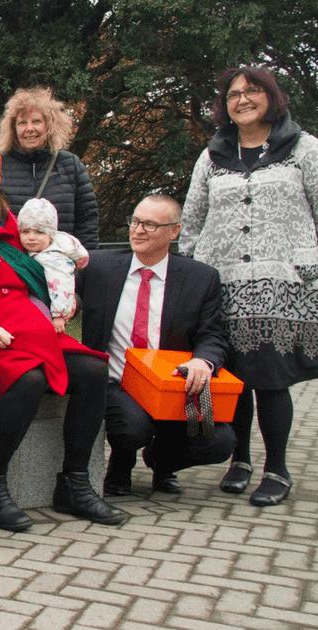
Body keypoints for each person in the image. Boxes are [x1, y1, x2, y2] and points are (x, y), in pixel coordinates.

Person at [0, 139, 125, 531]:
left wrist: (61, 301)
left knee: (93, 371)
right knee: (27, 378)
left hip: (32, 331)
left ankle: (75, 484)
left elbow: (41, 270)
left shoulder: (11, 224)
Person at [180, 66, 318, 507]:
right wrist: (195, 268)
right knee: (233, 375)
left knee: (271, 379)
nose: (242, 99)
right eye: (234, 94)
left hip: (283, 284)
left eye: (252, 91)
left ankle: (276, 468)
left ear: (271, 97)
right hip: (224, 286)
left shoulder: (303, 149)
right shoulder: (213, 155)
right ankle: (239, 459)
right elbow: (192, 218)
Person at [80, 195, 235, 497]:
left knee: (221, 441)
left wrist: (204, 361)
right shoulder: (97, 266)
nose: (138, 230)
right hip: (117, 382)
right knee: (130, 428)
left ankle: (161, 461)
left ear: (173, 231)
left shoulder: (201, 278)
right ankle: (120, 463)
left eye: (150, 225)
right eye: (135, 221)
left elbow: (213, 335)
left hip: (173, 386)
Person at [0, 87, 99, 250]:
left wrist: (84, 267)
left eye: (36, 121)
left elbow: (87, 221)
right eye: (22, 122)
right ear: (13, 128)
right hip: (13, 265)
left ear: (49, 125)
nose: (29, 128)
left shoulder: (70, 165)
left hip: (61, 267)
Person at [17, 198, 90, 334]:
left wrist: (59, 315)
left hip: (55, 310)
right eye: (26, 231)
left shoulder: (55, 258)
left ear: (50, 235)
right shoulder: (37, 251)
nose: (31, 237)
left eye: (39, 232)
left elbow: (63, 285)